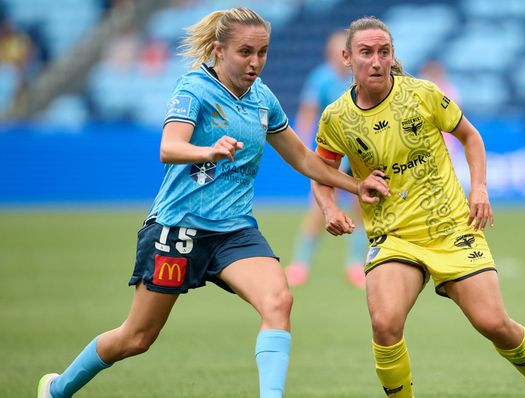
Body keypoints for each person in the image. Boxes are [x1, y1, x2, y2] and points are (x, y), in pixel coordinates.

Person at [36, 8, 388, 398]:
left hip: (234, 231)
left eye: (263, 52)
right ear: (219, 51)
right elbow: (169, 147)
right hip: (178, 228)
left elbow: (305, 159)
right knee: (136, 338)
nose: (255, 62)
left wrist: (356, 186)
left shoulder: (263, 99)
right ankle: (56, 389)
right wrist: (208, 151)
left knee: (279, 300)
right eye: (245, 52)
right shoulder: (194, 89)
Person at [311, 16, 525, 398]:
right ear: (348, 58)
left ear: (393, 55)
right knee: (384, 323)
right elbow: (321, 171)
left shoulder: (422, 94)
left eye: (384, 52)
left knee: (494, 323)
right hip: (395, 235)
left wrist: (479, 188)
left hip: (451, 228)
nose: (377, 61)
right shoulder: (336, 117)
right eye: (366, 53)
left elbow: (471, 137)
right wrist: (329, 207)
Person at [284, 30, 368, 288]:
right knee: (319, 208)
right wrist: (303, 149)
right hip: (330, 153)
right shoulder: (320, 78)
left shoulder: (359, 78)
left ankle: (356, 265)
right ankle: (300, 264)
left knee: (361, 208)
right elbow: (308, 113)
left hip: (358, 152)